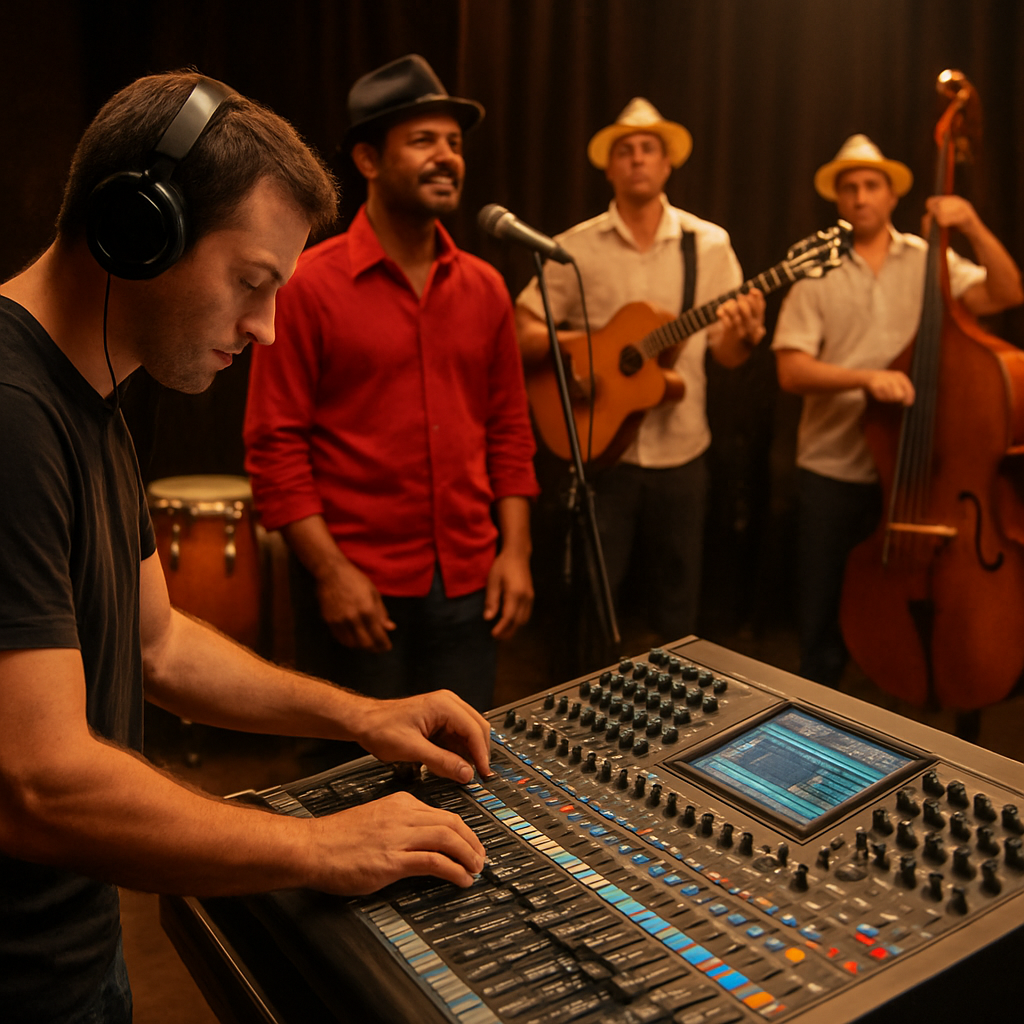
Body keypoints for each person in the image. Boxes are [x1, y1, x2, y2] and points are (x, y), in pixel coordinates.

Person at [0, 70, 494, 1024]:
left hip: (77, 957)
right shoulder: (11, 417)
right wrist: (317, 846)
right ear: (140, 230)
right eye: (252, 281)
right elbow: (37, 783)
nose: (266, 327)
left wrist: (362, 716)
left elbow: (160, 645)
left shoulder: (89, 406)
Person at [244, 55, 538, 712]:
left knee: (464, 776)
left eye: (455, 143)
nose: (447, 157)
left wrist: (515, 550)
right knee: (357, 789)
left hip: (470, 584)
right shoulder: (308, 286)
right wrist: (330, 572)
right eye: (424, 141)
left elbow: (511, 431)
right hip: (359, 590)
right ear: (370, 161)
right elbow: (274, 446)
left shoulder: (487, 288)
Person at [772, 134, 1024, 686]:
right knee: (821, 616)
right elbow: (791, 370)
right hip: (834, 468)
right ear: (838, 202)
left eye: (871, 186)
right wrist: (867, 379)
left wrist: (973, 225)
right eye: (849, 189)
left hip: (920, 476)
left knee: (899, 608)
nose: (860, 197)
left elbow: (1007, 291)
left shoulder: (930, 259)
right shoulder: (819, 270)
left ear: (890, 196)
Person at [515, 98, 766, 650]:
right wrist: (590, 351)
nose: (637, 160)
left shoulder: (710, 245)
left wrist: (743, 337)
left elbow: (724, 354)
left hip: (683, 452)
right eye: (625, 151)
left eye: (648, 149)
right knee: (591, 611)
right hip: (602, 452)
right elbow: (522, 331)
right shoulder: (573, 247)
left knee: (679, 611)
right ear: (609, 166)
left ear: (667, 162)